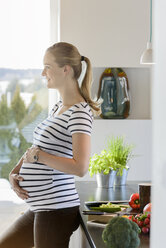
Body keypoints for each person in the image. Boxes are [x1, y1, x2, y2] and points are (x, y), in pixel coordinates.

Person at [0, 42, 101, 248]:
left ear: (66, 69)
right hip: (41, 206)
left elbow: (80, 167)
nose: (42, 72)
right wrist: (15, 173)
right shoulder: (58, 107)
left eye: (47, 66)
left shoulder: (80, 112)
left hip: (56, 207)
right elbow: (37, 148)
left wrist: (39, 157)